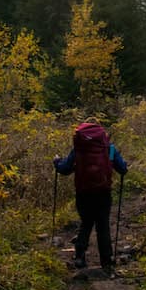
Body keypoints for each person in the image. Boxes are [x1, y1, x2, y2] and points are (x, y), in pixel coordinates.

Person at [53, 117, 128, 274]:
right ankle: (106, 262)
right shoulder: (109, 148)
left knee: (86, 223)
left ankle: (80, 257)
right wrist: (123, 165)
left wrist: (57, 162)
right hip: (103, 193)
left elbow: (65, 169)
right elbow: (122, 169)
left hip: (83, 193)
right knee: (103, 226)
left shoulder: (79, 148)